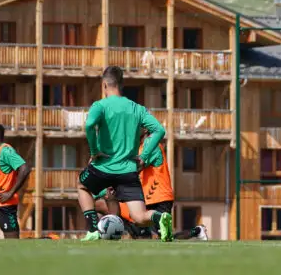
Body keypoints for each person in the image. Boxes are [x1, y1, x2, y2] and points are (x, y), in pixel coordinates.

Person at [76, 65, 173, 242]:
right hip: (128, 171)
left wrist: (94, 151)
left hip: (103, 167)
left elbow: (89, 125)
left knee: (82, 186)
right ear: (121, 85)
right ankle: (159, 216)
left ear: (104, 85)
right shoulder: (137, 108)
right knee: (139, 216)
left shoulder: (100, 106)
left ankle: (93, 230)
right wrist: (143, 157)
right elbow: (159, 130)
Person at [94, 128, 208, 241]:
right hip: (144, 200)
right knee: (99, 202)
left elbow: (133, 169)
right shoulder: (137, 148)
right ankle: (95, 231)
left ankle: (196, 231)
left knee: (160, 238)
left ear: (145, 130)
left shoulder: (151, 145)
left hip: (159, 199)